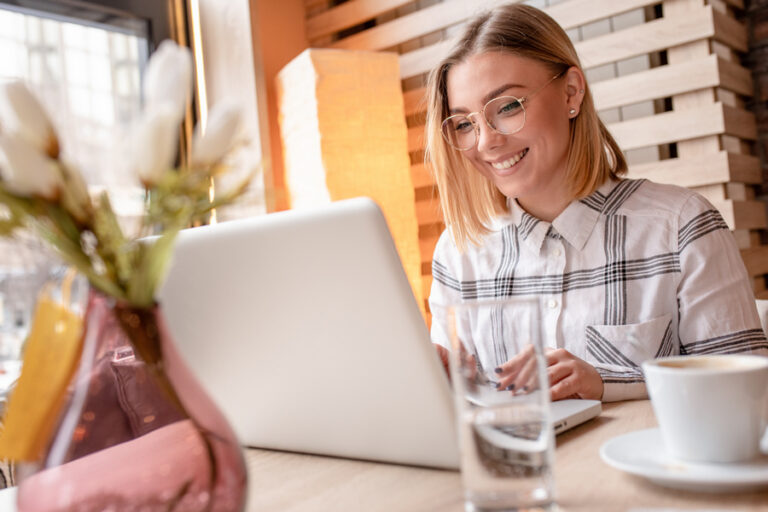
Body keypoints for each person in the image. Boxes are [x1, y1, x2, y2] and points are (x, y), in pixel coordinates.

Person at [426, 3, 768, 402]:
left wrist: (605, 383)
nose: (485, 142)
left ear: (571, 91)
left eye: (508, 107)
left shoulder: (682, 227)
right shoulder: (457, 254)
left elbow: (753, 395)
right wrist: (443, 385)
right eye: (465, 123)